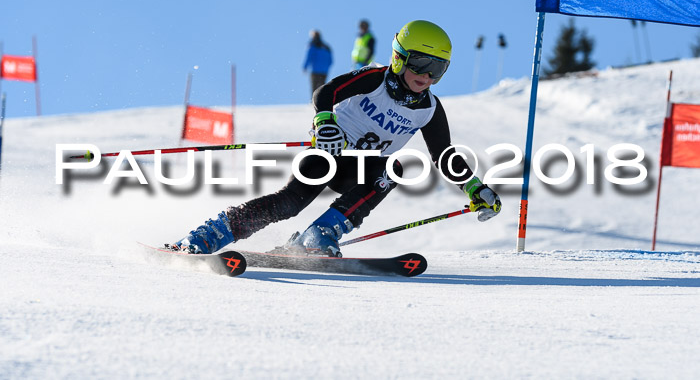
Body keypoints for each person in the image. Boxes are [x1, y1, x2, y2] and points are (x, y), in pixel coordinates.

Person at [168, 20, 501, 256]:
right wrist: (326, 122)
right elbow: (326, 91)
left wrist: (475, 186)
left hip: (364, 169)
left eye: (438, 69)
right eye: (421, 63)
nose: (427, 76)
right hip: (329, 152)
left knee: (393, 169)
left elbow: (444, 155)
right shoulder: (375, 78)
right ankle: (211, 234)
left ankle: (317, 236)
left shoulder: (429, 108)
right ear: (399, 57)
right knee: (288, 204)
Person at [302, 30, 333, 96]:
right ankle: (322, 101)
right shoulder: (326, 47)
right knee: (322, 87)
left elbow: (308, 57)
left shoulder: (312, 46)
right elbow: (330, 61)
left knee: (314, 88)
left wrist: (305, 67)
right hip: (324, 71)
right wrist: (326, 67)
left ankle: (313, 102)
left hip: (315, 70)